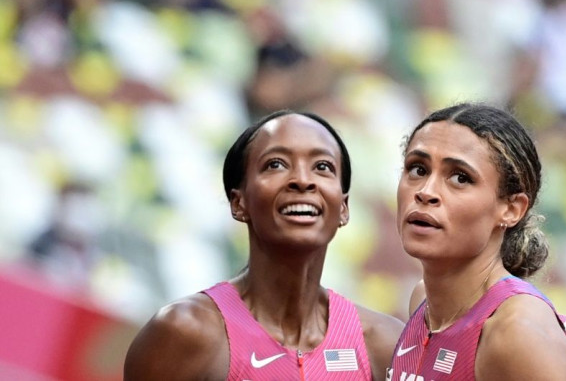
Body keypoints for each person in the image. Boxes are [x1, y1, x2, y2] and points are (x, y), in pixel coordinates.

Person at [124, 109, 404, 380]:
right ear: (239, 202)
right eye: (276, 164)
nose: (302, 180)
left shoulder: (385, 345)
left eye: (322, 167)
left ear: (343, 208)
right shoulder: (184, 332)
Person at [389, 102, 566, 380]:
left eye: (460, 177)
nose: (426, 192)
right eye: (418, 169)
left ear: (511, 209)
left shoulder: (517, 330)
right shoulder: (423, 302)